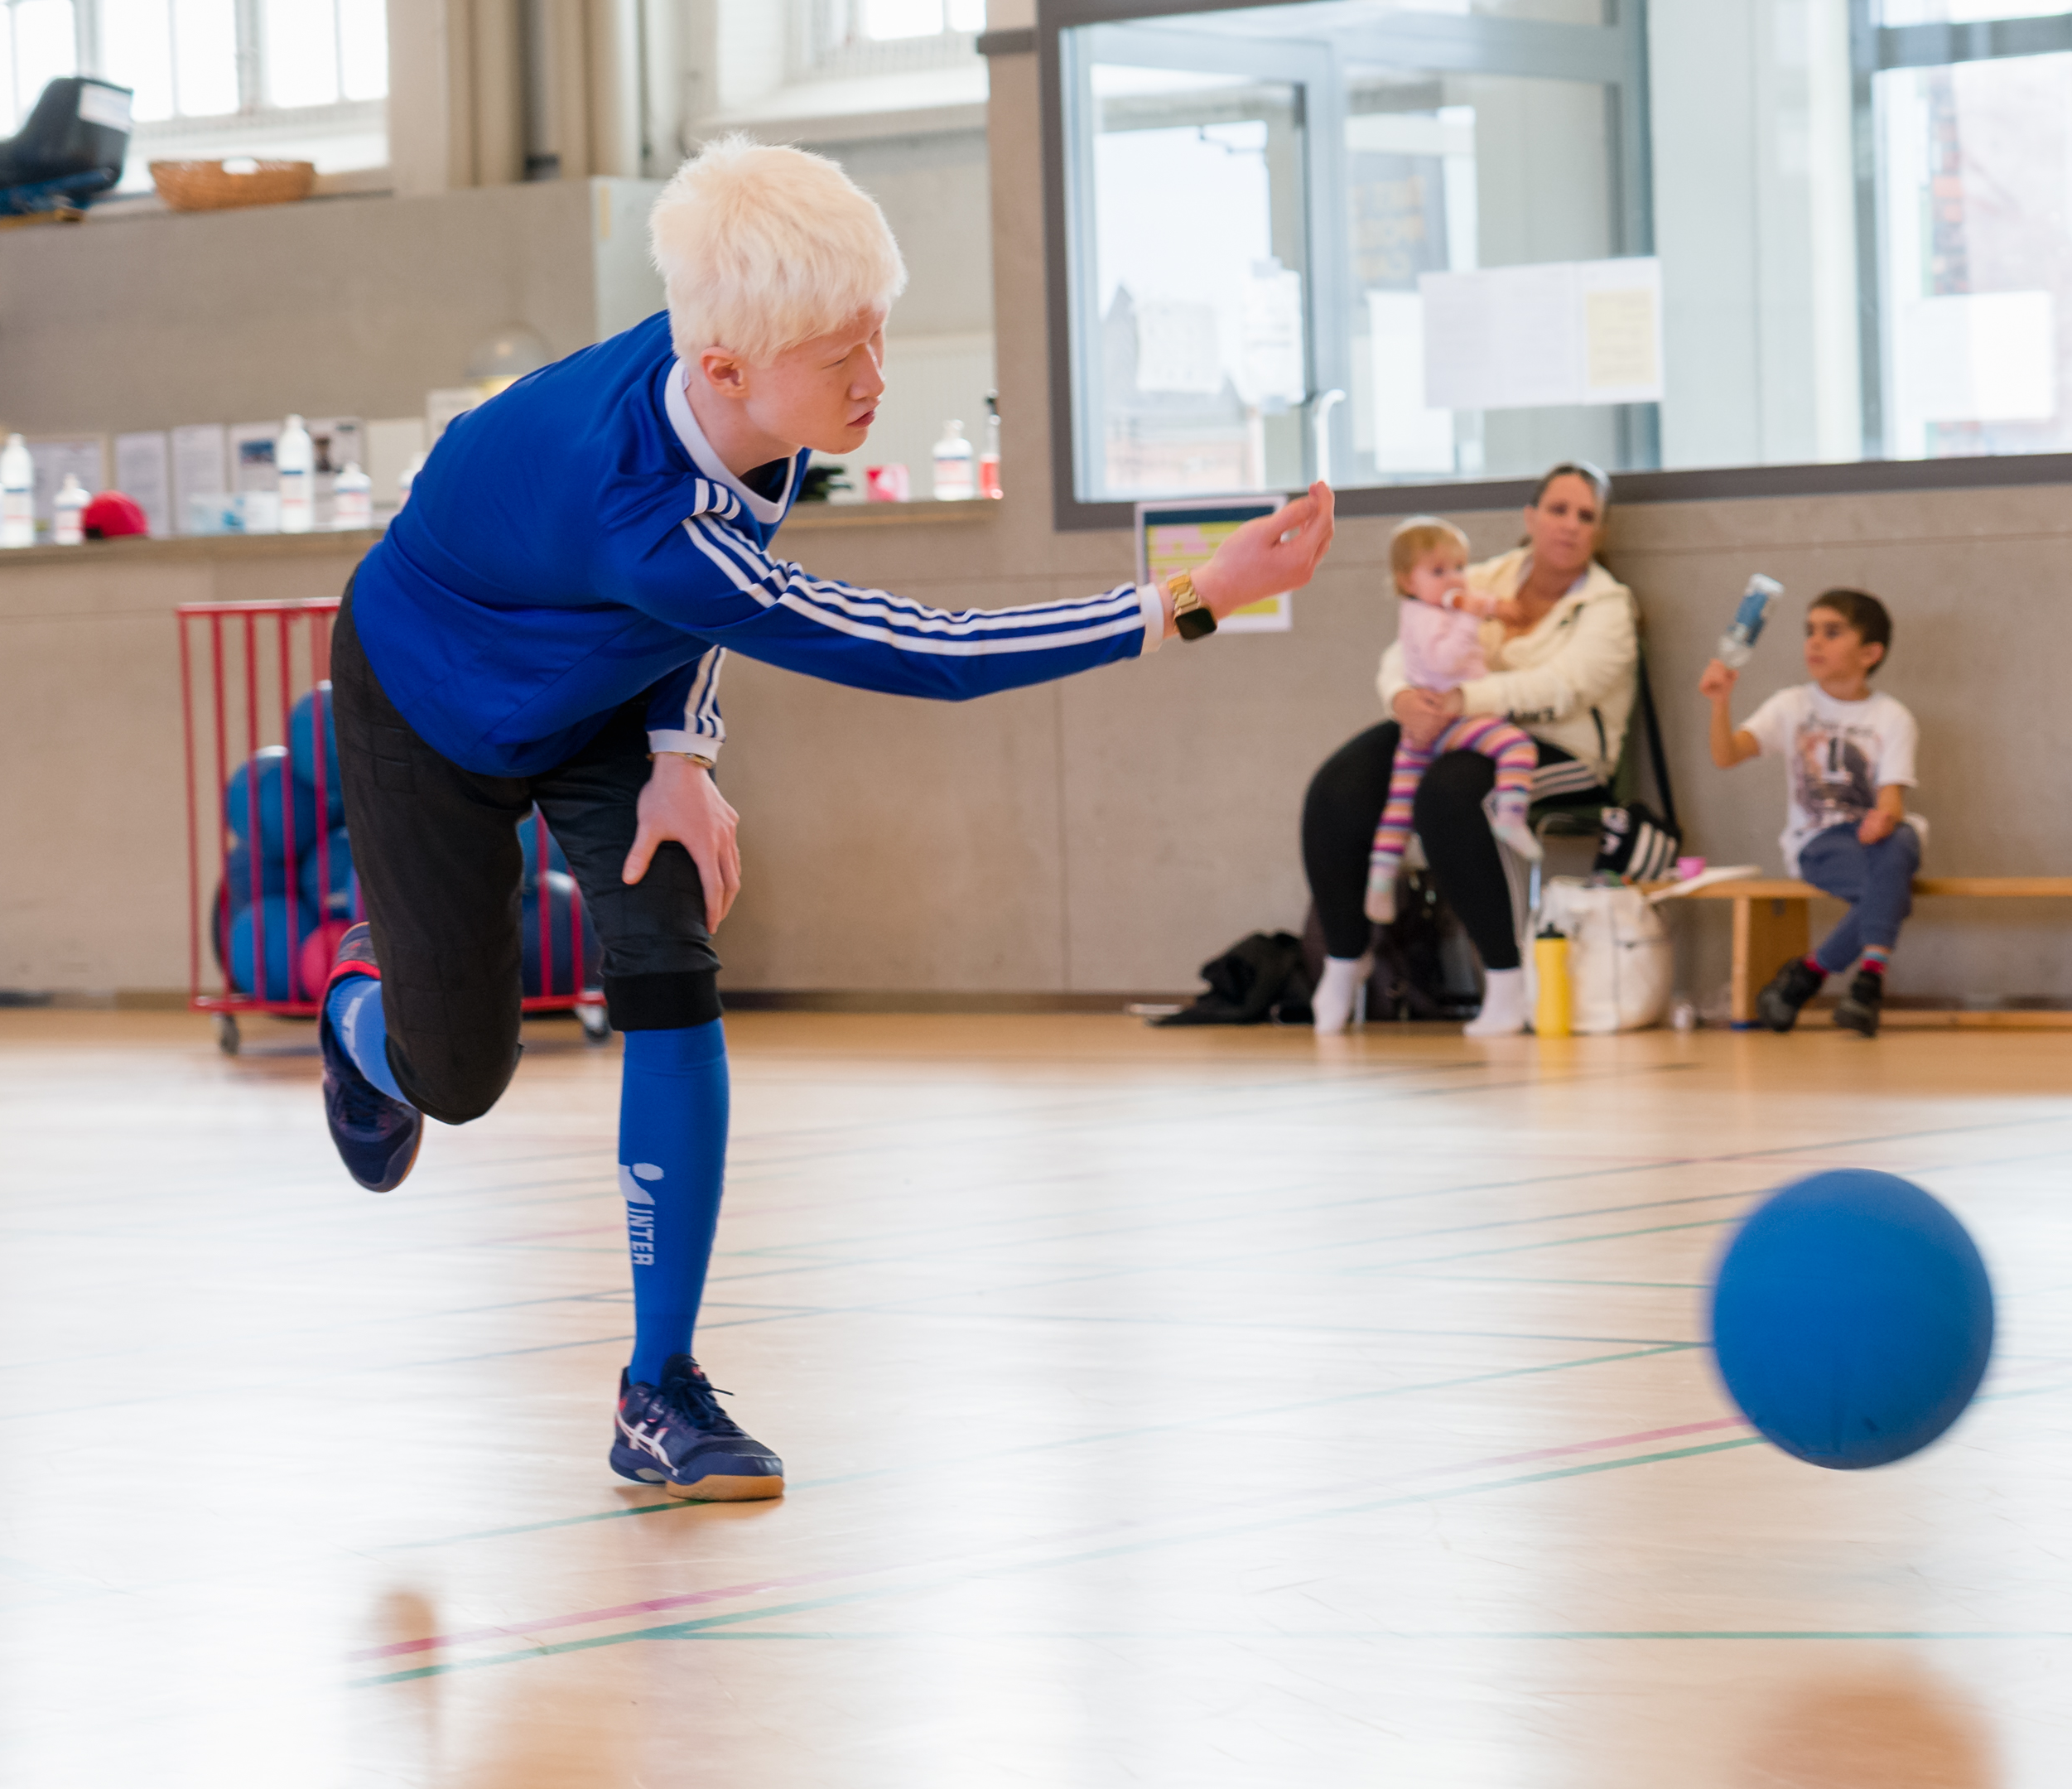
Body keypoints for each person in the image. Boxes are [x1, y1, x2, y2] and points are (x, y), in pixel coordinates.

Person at [315, 137, 1335, 1497]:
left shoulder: (742, 388)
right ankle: (358, 1013)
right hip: (429, 700)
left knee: (671, 960)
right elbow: (927, 650)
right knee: (457, 1078)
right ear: (726, 364)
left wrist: (681, 748)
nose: (874, 378)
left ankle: (658, 1390)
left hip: (599, 678)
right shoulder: (638, 514)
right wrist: (1191, 596)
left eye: (877, 335)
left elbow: (717, 573)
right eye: (840, 355)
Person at [1301, 463, 1635, 1039]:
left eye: (1586, 516)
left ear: (1599, 532)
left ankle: (1506, 981)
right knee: (1339, 787)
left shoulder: (1609, 606)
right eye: (1558, 510)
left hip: (1561, 749)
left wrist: (1463, 698)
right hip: (1453, 722)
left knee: (1451, 795)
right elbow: (1406, 647)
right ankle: (1346, 957)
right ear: (1530, 517)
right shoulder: (1479, 577)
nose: (1570, 525)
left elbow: (1561, 688)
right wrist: (1403, 698)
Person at [1702, 590, 1919, 1039]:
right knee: (1890, 887)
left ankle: (1816, 974)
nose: (1815, 642)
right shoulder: (1790, 706)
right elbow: (1726, 755)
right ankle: (1863, 980)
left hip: (1875, 840)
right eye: (1811, 631)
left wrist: (1882, 819)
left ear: (1870, 653)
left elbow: (1891, 799)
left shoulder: (1893, 717)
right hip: (1819, 842)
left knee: (1902, 840)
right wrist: (1720, 703)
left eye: (1832, 632)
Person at [1365, 516, 1540, 927]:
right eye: (1439, 571)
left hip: (1423, 730)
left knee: (1400, 806)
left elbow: (1478, 600)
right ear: (1407, 581)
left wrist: (1500, 609)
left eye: (1460, 567)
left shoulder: (1435, 604)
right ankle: (1511, 815)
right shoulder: (1424, 617)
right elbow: (1444, 660)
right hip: (1450, 722)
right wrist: (1472, 619)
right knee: (1517, 746)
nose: (1455, 579)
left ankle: (1380, 879)